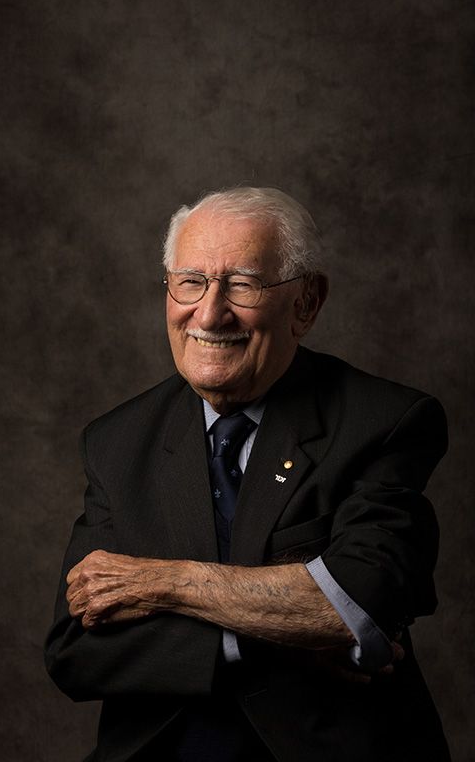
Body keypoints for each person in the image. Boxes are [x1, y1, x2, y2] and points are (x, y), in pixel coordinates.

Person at [45, 187, 450, 761]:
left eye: (243, 283)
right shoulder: (117, 441)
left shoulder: (383, 422)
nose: (209, 313)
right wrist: (277, 637)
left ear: (306, 303)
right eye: (190, 282)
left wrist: (164, 584)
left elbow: (360, 603)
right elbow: (74, 651)